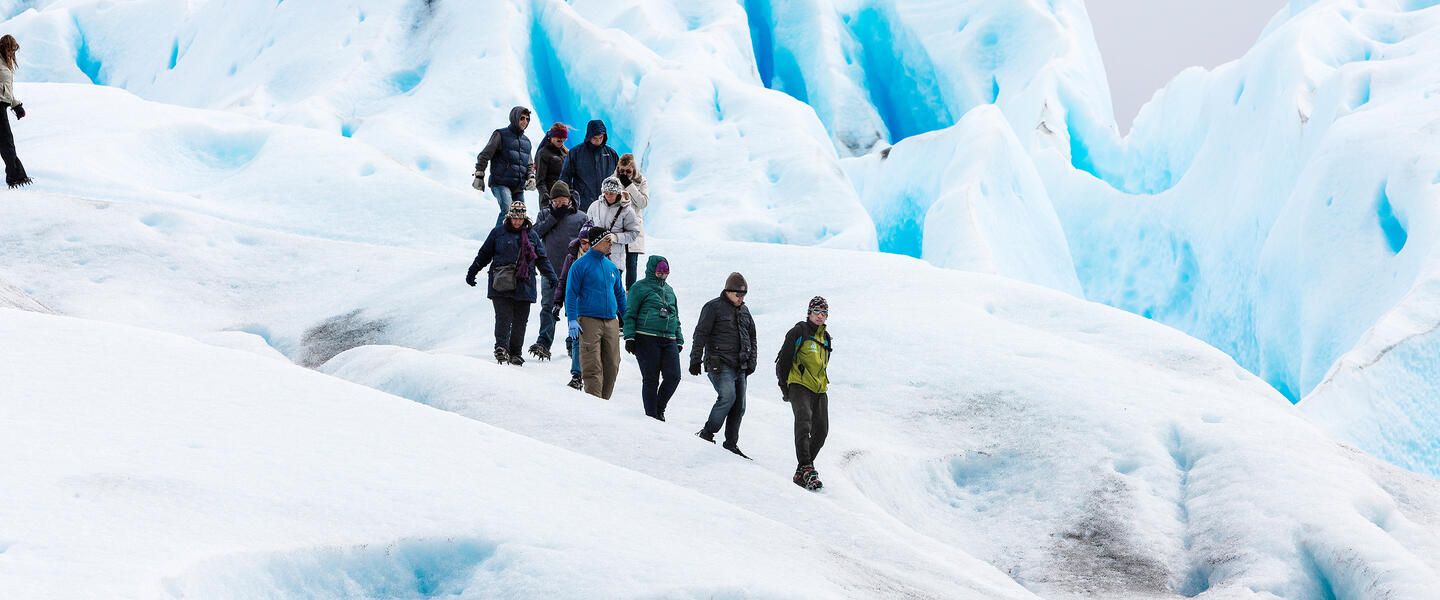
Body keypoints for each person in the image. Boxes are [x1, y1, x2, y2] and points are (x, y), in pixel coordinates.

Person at [466, 201, 558, 365]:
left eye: (520, 219)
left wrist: (551, 276)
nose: (517, 222)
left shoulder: (532, 236)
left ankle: (515, 352)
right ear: (509, 217)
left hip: (525, 283)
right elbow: (484, 254)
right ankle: (501, 348)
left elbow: (542, 259)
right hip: (501, 282)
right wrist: (472, 271)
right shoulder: (498, 233)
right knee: (503, 317)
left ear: (525, 218)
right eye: (514, 218)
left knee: (520, 321)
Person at [690, 272, 757, 459]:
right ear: (728, 291)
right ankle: (707, 433)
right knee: (728, 397)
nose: (741, 298)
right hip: (719, 363)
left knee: (739, 406)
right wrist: (695, 359)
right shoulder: (713, 307)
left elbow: (752, 337)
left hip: (740, 365)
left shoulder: (745, 311)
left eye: (744, 295)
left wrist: (751, 362)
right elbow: (700, 334)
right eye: (738, 294)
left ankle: (731, 444)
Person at [775, 296, 833, 491]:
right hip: (799, 384)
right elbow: (783, 360)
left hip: (819, 388)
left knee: (821, 431)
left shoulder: (826, 337)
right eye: (816, 312)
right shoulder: (799, 331)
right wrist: (785, 388)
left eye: (824, 313)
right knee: (803, 422)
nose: (820, 316)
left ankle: (802, 470)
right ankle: (807, 467)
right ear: (809, 313)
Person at [529, 181, 589, 360]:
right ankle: (543, 343)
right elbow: (534, 234)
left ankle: (573, 344)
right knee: (548, 307)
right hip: (550, 271)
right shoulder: (544, 214)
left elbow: (588, 241)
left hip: (574, 272)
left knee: (574, 309)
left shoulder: (581, 217)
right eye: (556, 202)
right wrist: (553, 217)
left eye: (563, 201)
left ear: (569, 200)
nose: (559, 204)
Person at [565, 227, 627, 399]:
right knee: (592, 365)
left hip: (611, 321)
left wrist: (628, 320)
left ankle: (603, 402)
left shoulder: (612, 267)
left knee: (613, 364)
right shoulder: (580, 265)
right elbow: (571, 294)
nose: (611, 244)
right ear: (597, 242)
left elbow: (620, 295)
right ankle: (595, 404)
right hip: (588, 320)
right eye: (608, 240)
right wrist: (572, 319)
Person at [623, 256, 683, 421]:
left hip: (669, 338)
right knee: (651, 379)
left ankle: (659, 409)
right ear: (651, 270)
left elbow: (675, 316)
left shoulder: (669, 290)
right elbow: (630, 313)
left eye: (666, 272)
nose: (663, 275)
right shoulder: (639, 287)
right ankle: (651, 416)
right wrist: (630, 337)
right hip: (646, 337)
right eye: (659, 272)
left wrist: (679, 338)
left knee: (673, 377)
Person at [473, 106, 537, 227]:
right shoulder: (500, 135)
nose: (525, 121)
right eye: (522, 118)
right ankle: (496, 238)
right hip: (500, 183)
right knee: (508, 212)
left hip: (518, 187)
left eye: (527, 119)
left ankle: (516, 239)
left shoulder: (527, 142)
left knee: (520, 216)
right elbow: (484, 155)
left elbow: (529, 164)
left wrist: (531, 177)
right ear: (514, 118)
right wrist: (479, 175)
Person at [553, 222, 594, 390]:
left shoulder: (603, 257)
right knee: (577, 338)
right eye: (583, 242)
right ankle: (577, 375)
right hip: (575, 304)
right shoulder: (571, 257)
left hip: (593, 305)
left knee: (588, 341)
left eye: (589, 242)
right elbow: (563, 280)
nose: (586, 246)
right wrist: (557, 302)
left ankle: (589, 373)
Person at [557, 119, 618, 211]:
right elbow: (565, 177)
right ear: (589, 136)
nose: (598, 141)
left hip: (607, 205)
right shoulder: (576, 153)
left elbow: (619, 178)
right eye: (595, 138)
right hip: (583, 205)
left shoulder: (611, 154)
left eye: (600, 137)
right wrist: (568, 199)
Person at [585, 176, 640, 276]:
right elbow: (586, 226)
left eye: (611, 193)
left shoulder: (627, 210)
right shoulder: (594, 206)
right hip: (594, 258)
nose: (608, 196)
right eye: (606, 193)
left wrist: (616, 237)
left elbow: (634, 233)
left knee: (612, 285)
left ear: (618, 193)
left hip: (615, 260)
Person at [613, 154, 648, 289]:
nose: (624, 174)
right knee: (616, 264)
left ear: (633, 169)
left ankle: (630, 294)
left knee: (632, 264)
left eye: (628, 171)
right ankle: (616, 294)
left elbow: (643, 203)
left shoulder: (641, 181)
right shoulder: (612, 181)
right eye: (622, 171)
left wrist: (629, 185)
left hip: (633, 227)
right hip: (617, 228)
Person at [0, 35, 30, 189]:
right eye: (11, 49)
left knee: (6, 142)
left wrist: (16, 105)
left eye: (14, 50)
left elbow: (6, 90)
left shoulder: (4, 63)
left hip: (3, 105)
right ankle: (15, 177)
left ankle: (16, 176)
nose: (12, 53)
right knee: (6, 142)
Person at [534, 122, 569, 209]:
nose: (561, 142)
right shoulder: (543, 153)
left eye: (564, 140)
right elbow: (540, 181)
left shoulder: (565, 153)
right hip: (550, 198)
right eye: (559, 140)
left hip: (565, 198)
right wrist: (546, 197)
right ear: (552, 137)